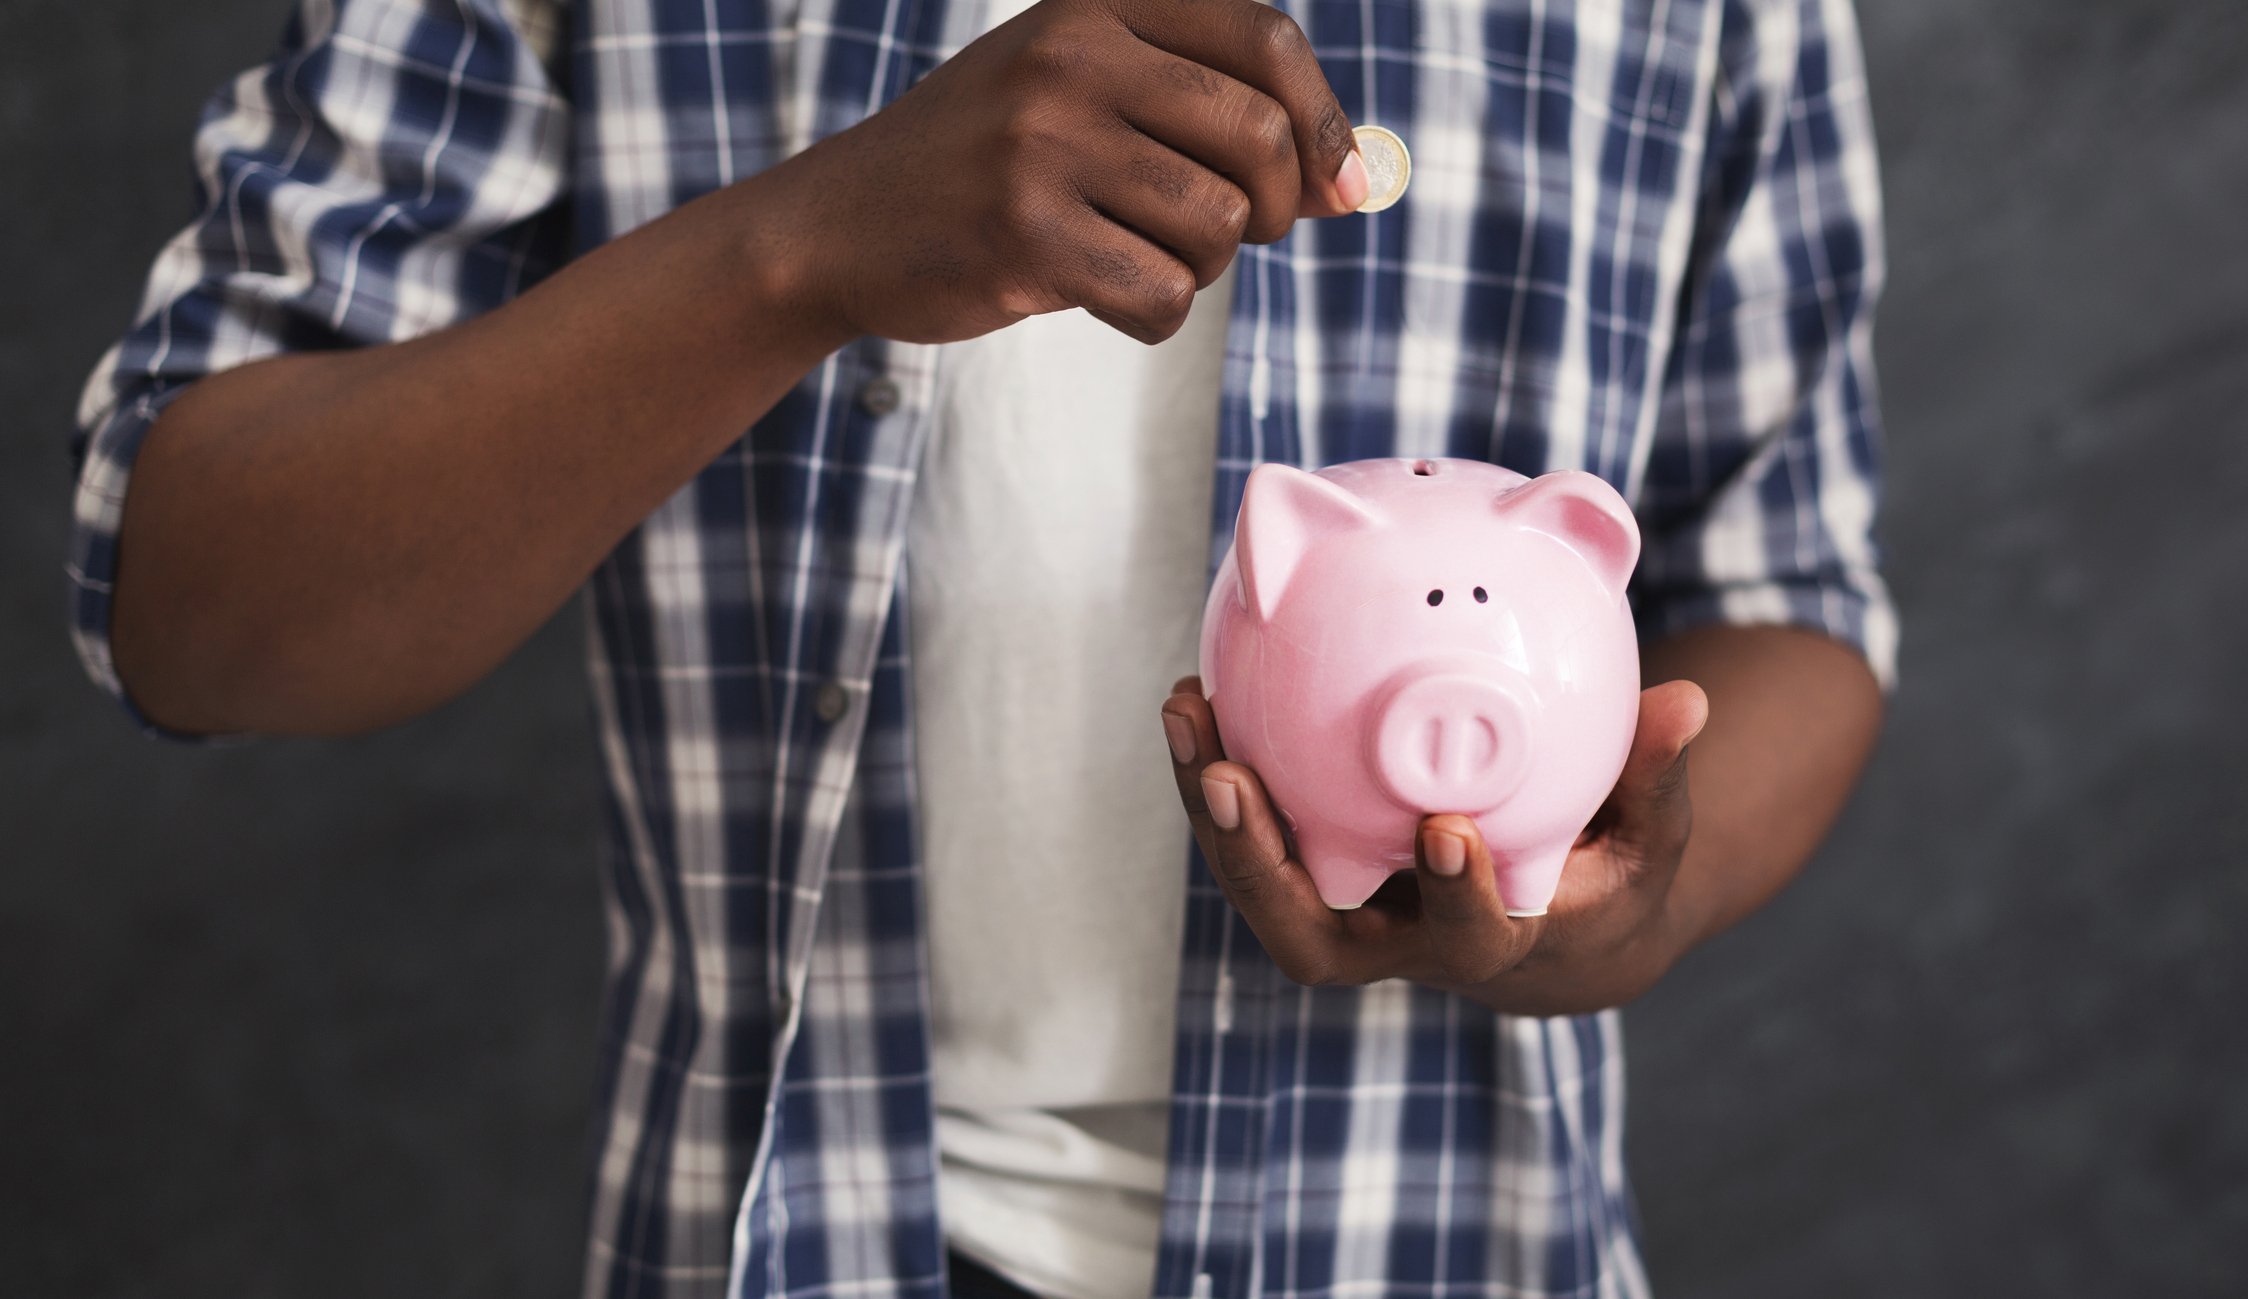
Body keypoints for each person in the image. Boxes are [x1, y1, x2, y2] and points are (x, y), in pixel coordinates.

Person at [65, 0, 1893, 1295]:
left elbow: (1795, 593)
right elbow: (199, 607)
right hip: (789, 1237)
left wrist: (1644, 889)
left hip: (1445, 1229)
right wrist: (789, 252)